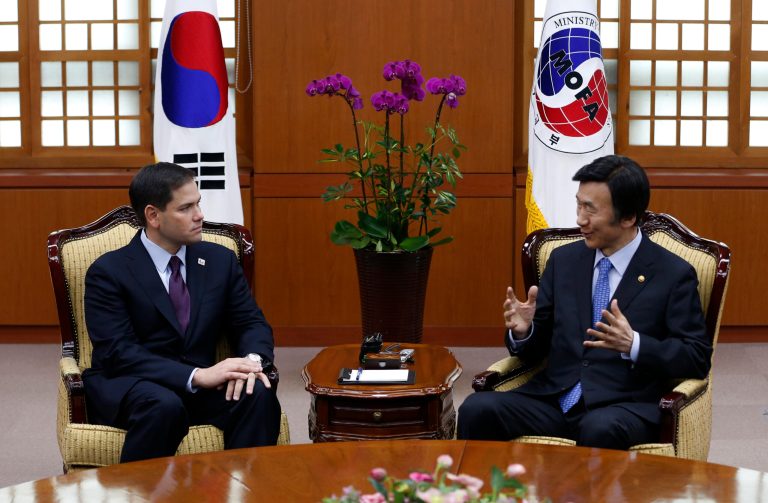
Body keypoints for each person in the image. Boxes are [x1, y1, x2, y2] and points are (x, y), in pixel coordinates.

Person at [457, 155, 712, 449]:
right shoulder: (564, 261)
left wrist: (635, 344)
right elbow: (536, 349)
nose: (580, 219)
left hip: (621, 406)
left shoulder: (672, 274)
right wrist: (524, 331)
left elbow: (696, 357)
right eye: (579, 204)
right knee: (476, 409)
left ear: (628, 217)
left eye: (590, 210)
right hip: (554, 400)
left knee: (599, 428)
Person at [83, 162, 281, 462]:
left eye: (198, 203)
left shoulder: (220, 261)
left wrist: (250, 363)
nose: (200, 215)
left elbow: (251, 323)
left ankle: (244, 492)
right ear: (153, 216)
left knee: (257, 394)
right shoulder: (108, 272)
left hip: (201, 386)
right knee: (164, 406)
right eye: (186, 208)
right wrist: (196, 375)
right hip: (137, 384)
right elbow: (118, 352)